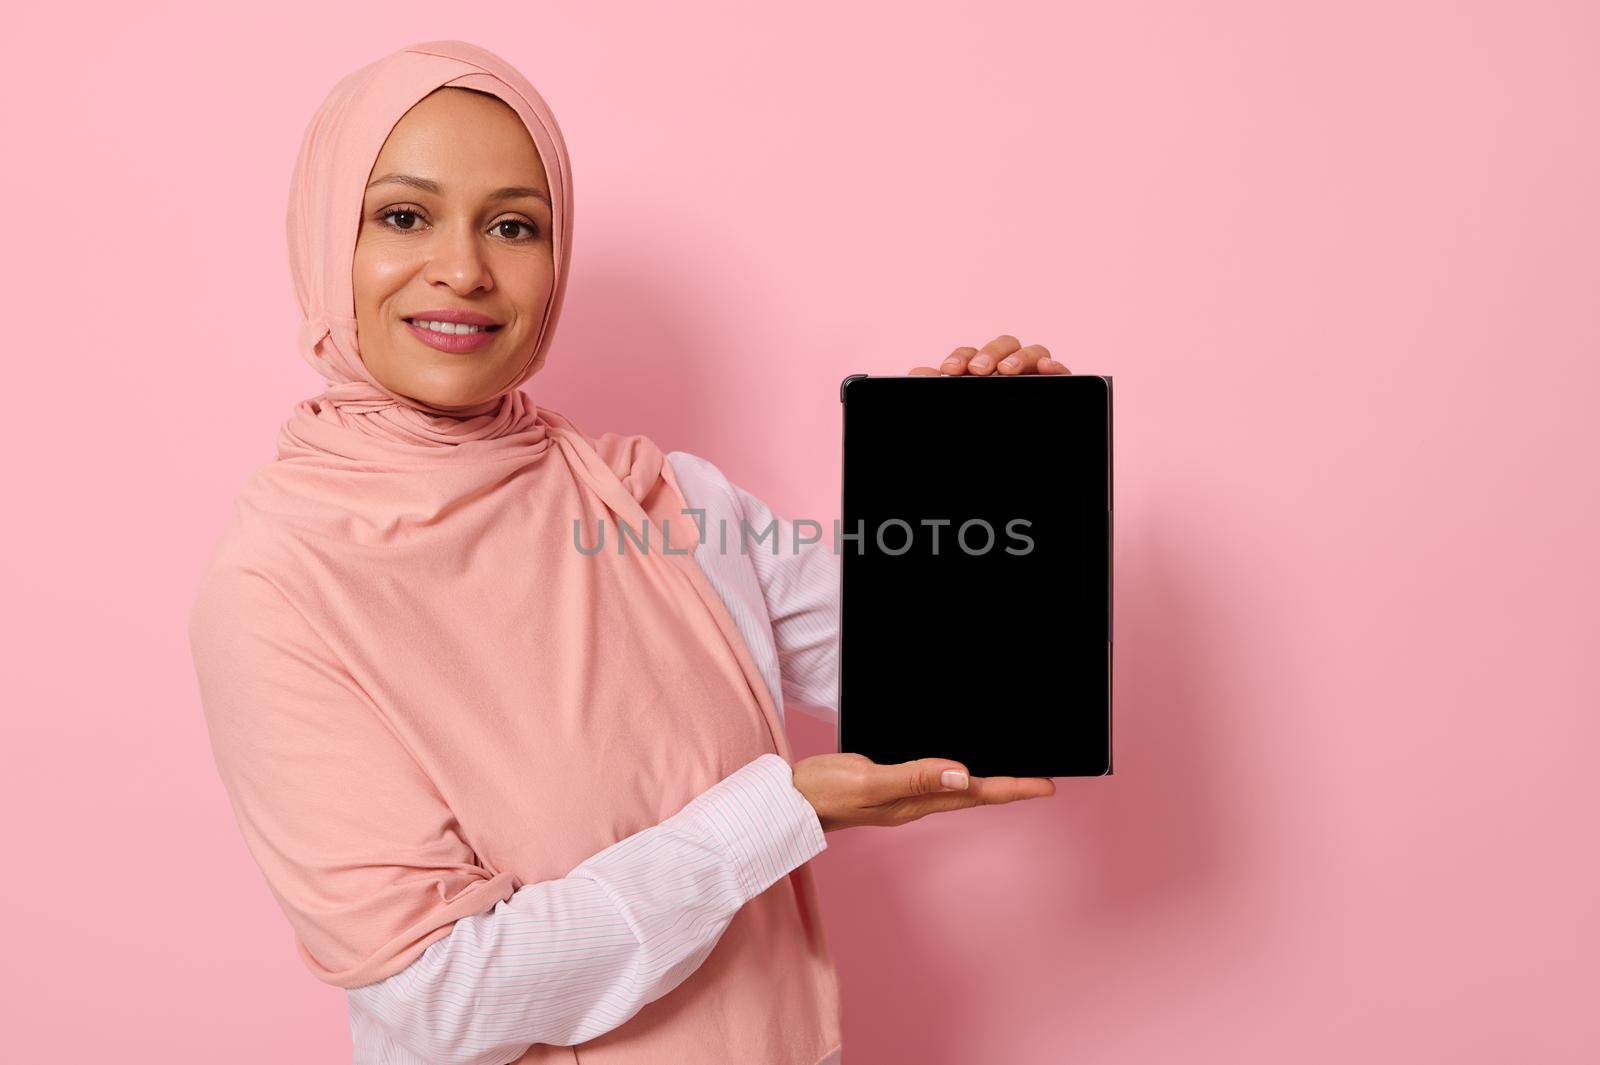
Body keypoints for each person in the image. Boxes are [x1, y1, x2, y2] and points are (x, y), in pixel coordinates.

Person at [187, 39, 1063, 1065]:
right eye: (404, 215)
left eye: (514, 225)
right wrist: (766, 822)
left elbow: (969, 689)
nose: (464, 268)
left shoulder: (664, 500)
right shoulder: (277, 586)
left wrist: (996, 495)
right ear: (325, 237)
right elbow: (434, 1002)